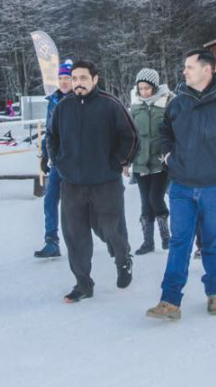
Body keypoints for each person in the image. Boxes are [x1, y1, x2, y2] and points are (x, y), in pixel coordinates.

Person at [146, 49, 216, 321]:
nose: (184, 71)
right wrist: (168, 155)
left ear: (207, 70)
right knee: (179, 242)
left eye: (189, 67)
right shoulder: (178, 102)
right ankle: (170, 300)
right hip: (182, 185)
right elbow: (164, 131)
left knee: (212, 242)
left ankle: (214, 292)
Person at [47, 60, 139, 303]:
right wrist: (58, 161)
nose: (77, 83)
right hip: (73, 185)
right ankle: (83, 284)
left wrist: (118, 162)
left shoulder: (110, 105)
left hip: (105, 182)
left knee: (111, 229)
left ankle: (123, 260)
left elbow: (130, 137)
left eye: (83, 78)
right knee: (75, 236)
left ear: (95, 79)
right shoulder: (63, 107)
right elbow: (52, 136)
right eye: (74, 78)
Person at [126, 68, 173, 255]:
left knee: (156, 197)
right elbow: (129, 135)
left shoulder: (168, 103)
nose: (144, 92)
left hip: (161, 161)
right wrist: (126, 161)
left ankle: (166, 237)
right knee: (146, 202)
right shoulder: (135, 106)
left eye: (147, 88)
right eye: (141, 88)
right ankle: (148, 242)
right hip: (140, 162)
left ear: (155, 87)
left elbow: (173, 131)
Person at [34, 60, 74, 258]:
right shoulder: (53, 100)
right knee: (50, 200)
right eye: (60, 78)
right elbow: (49, 130)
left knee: (78, 204)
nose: (64, 82)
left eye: (67, 78)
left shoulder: (80, 99)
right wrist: (45, 154)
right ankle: (51, 241)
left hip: (77, 162)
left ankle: (98, 237)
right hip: (58, 160)